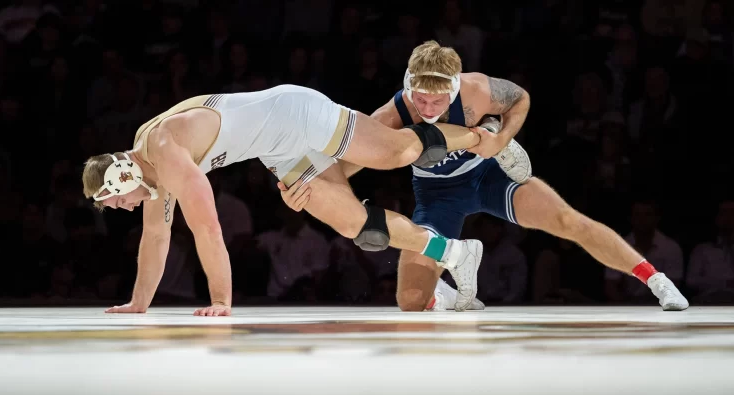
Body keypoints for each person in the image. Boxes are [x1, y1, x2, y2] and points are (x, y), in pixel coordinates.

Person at [280, 41, 689, 311]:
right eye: (419, 98)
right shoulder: (391, 116)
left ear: (454, 88)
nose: (426, 106)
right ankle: (447, 290)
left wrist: (504, 137)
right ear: (409, 85)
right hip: (437, 196)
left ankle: (656, 280)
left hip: (489, 177)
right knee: (408, 300)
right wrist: (309, 186)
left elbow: (521, 98)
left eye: (436, 100)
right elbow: (346, 164)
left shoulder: (476, 91)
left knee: (568, 221)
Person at [82, 85, 487, 316]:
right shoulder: (150, 167)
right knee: (356, 226)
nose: (119, 208)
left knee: (395, 153)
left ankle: (483, 137)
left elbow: (207, 228)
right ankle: (454, 253)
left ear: (121, 176)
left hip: (294, 114)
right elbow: (155, 236)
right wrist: (138, 303)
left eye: (114, 200)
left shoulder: (166, 150)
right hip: (277, 150)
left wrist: (221, 301)